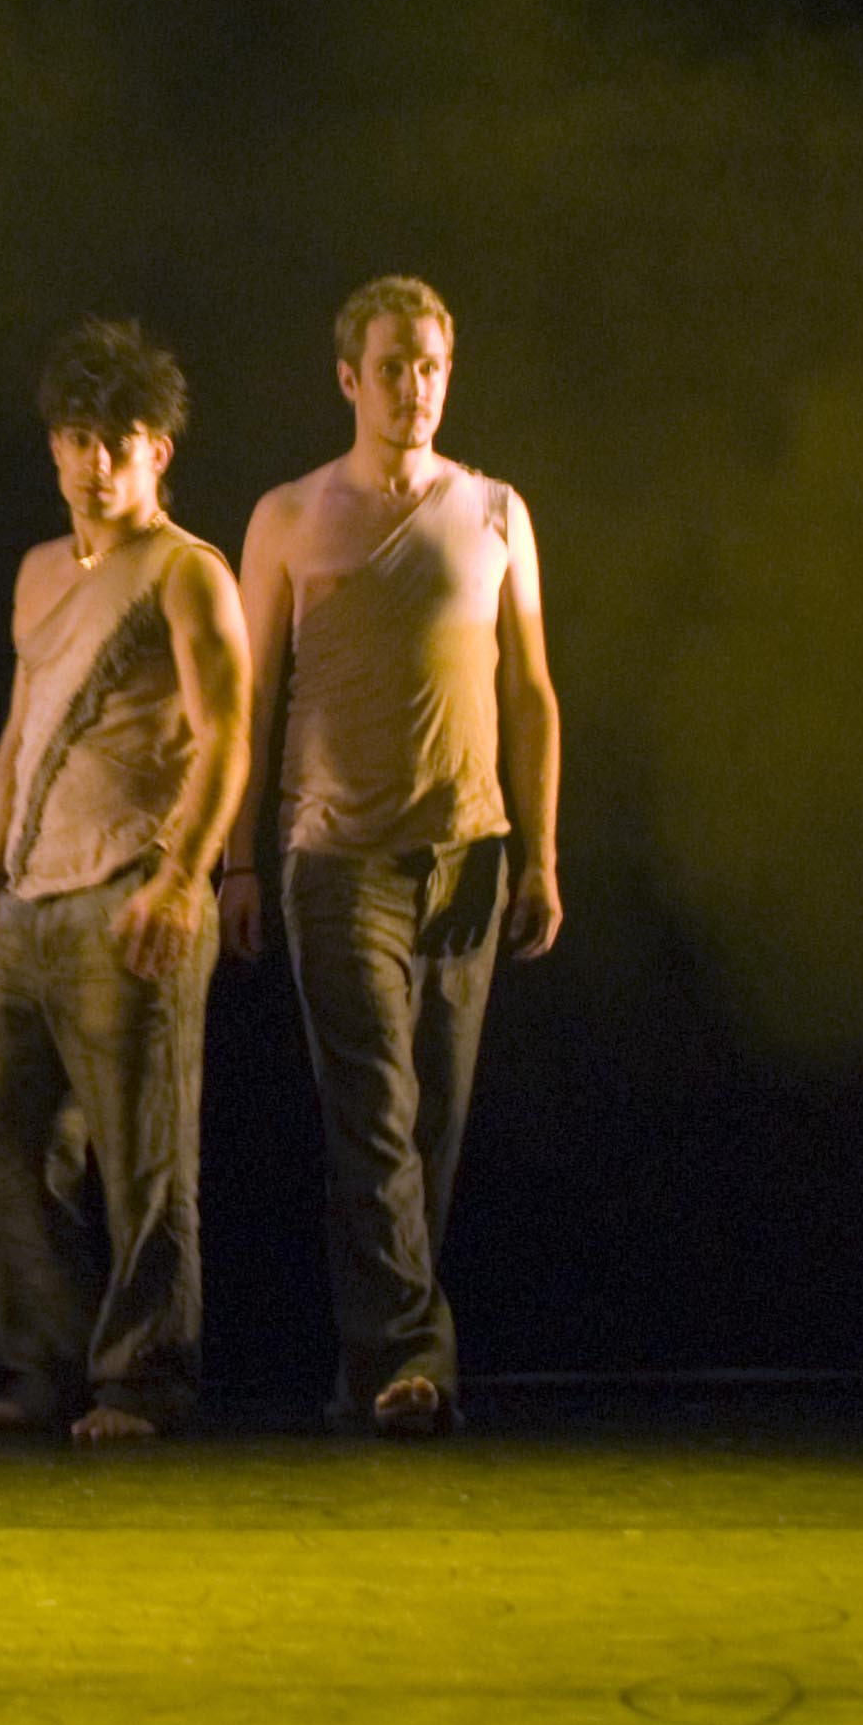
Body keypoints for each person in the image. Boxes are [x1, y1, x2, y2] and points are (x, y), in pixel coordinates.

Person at [222, 276, 561, 1434]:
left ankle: (368, 1367)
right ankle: (414, 1360)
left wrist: (540, 851)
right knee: (373, 1110)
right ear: (347, 378)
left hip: (466, 849)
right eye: (391, 366)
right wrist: (236, 859)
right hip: (334, 853)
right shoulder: (288, 514)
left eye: (430, 365)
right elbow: (248, 693)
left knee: (427, 1126)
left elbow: (530, 689)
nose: (413, 386)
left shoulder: (496, 510)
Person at [0, 321, 250, 1443]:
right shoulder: (38, 570)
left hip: (129, 894)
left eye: (117, 442)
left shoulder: (185, 569)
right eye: (77, 439)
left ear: (156, 451)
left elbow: (226, 735)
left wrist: (181, 878)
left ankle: (142, 1381)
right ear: (53, 446)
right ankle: (48, 1367)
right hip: (31, 900)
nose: (95, 462)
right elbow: (19, 730)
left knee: (142, 1162)